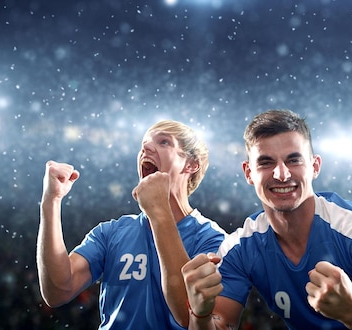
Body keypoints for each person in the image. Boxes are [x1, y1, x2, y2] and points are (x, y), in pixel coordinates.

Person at [181, 109, 352, 329]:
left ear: (315, 166)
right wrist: (200, 314)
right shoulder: (238, 248)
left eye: (293, 160)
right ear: (248, 173)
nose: (282, 174)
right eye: (266, 162)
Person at [36, 120, 226, 329]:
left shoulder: (213, 239)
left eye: (164, 142)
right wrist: (51, 201)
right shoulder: (110, 232)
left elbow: (188, 315)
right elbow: (57, 291)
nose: (146, 148)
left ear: (191, 164)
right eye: (144, 143)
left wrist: (159, 212)